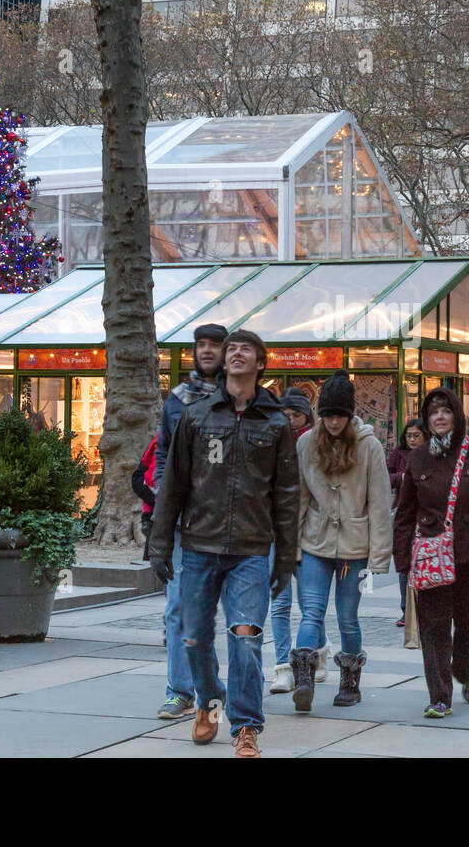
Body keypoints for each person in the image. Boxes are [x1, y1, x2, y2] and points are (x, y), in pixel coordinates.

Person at [148, 329, 300, 758]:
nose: (234, 354)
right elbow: (173, 484)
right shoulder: (196, 416)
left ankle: (246, 726)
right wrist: (160, 544)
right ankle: (210, 701)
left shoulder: (274, 423)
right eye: (231, 348)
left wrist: (285, 558)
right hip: (198, 546)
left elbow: (288, 496)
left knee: (246, 637)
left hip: (251, 551)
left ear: (260, 363)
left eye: (245, 349)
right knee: (194, 637)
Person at [393, 387, 469, 718]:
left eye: (445, 411)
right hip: (431, 556)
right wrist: (402, 558)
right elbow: (405, 511)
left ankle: (467, 671)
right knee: (434, 627)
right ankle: (439, 696)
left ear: (456, 416)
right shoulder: (419, 457)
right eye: (433, 413)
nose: (439, 417)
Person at [288, 370, 393, 710]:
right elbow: (300, 497)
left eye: (340, 415)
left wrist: (379, 558)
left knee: (348, 616)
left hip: (355, 548)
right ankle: (303, 679)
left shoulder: (369, 446)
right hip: (314, 542)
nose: (333, 422)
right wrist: (291, 547)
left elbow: (379, 503)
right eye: (328, 415)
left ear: (349, 415)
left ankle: (349, 681)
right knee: (311, 614)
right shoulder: (306, 443)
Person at [145, 322, 225, 721]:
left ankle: (230, 691)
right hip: (183, 522)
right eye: (201, 345)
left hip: (230, 523)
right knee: (177, 608)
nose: (206, 351)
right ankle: (179, 690)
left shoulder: (242, 398)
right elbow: (161, 452)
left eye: (214, 345)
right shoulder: (176, 400)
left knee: (237, 616)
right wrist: (163, 492)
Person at [268, 388, 318, 694]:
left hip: (311, 533)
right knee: (280, 603)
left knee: (312, 604)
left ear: (306, 416)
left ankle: (313, 657)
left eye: (295, 415)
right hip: (276, 532)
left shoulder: (315, 444)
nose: (289, 420)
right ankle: (283, 668)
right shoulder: (270, 442)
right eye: (284, 415)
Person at [389, 419, 425, 627]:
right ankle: (407, 610)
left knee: (423, 562)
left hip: (426, 515)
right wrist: (402, 477)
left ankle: (424, 609)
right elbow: (386, 475)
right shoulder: (399, 453)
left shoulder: (431, 455)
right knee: (404, 564)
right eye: (409, 435)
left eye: (416, 435)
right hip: (403, 514)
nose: (412, 439)